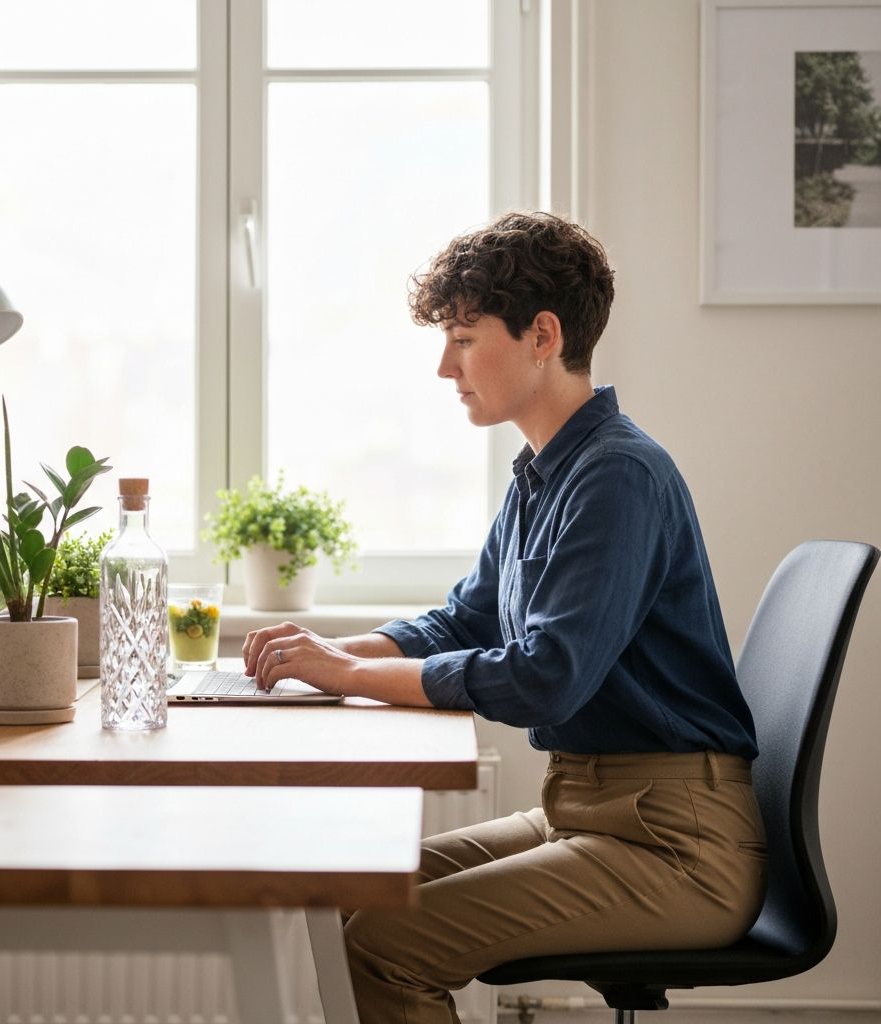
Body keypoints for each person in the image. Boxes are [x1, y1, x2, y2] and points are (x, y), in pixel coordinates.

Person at [241, 212, 767, 1024]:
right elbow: (466, 619)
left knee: (384, 944)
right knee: (355, 900)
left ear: (542, 335)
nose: (444, 367)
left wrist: (348, 676)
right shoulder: (544, 473)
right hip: (588, 811)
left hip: (675, 844)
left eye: (462, 336)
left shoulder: (617, 476)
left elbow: (542, 679)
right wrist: (326, 652)